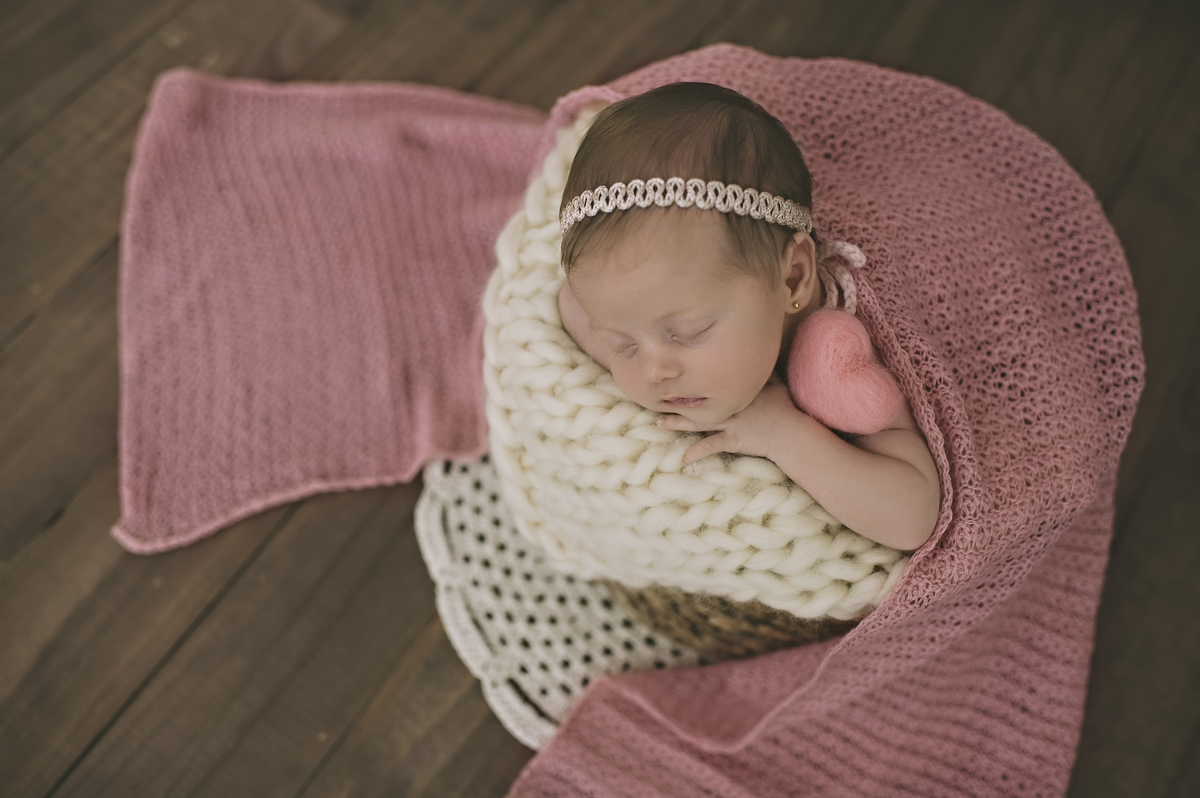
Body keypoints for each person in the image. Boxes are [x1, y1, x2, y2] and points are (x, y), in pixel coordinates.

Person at [556, 82, 939, 552]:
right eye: (622, 344)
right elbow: (570, 304)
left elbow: (913, 516)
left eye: (690, 332)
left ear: (793, 279)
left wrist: (787, 435)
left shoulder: (841, 348)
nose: (654, 371)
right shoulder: (663, 304)